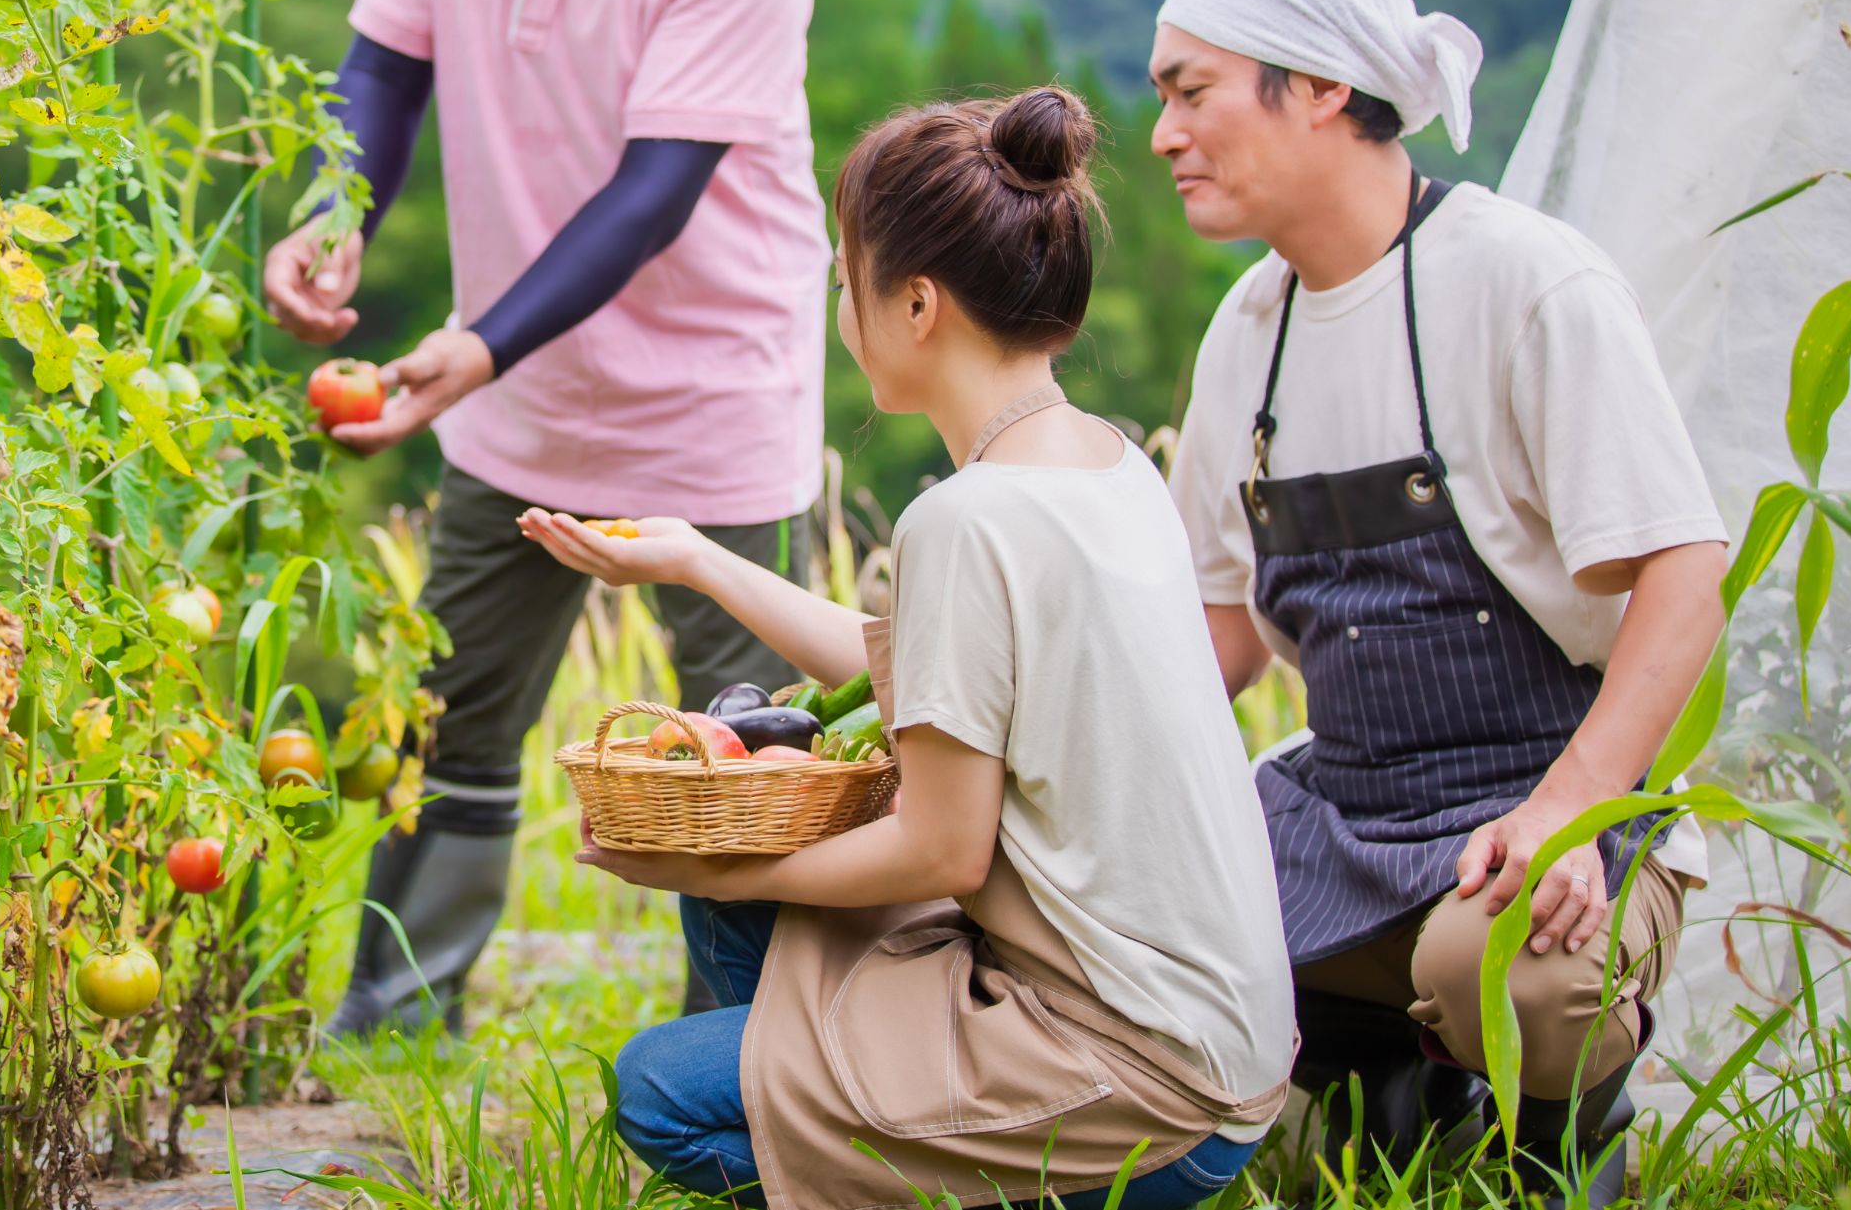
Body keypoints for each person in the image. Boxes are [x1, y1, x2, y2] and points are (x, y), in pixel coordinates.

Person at [521, 88, 1296, 1210]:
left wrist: (694, 861)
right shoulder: (1102, 466)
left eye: (847, 283)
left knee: (659, 1091)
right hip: (1216, 1044)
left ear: (917, 303)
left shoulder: (969, 518)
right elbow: (924, 662)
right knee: (740, 899)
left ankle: (903, 1158)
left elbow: (941, 856)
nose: (842, 312)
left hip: (1136, 1085)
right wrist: (696, 559)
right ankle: (841, 1094)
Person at [262, 0, 830, 1033]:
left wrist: (472, 342)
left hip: (707, 392)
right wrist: (335, 216)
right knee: (448, 707)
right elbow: (384, 66)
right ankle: (396, 1014)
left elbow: (654, 191)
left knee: (746, 754)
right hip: (512, 388)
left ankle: (764, 1049)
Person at [1155, 0, 1729, 1206]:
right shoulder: (1246, 330)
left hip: (1545, 816)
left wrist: (1569, 812)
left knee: (1509, 971)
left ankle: (1560, 1139)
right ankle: (1380, 1084)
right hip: (1347, 806)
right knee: (1137, 899)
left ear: (1312, 88)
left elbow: (1682, 580)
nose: (1164, 135)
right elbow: (1221, 640)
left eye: (1190, 91)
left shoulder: (1523, 282)